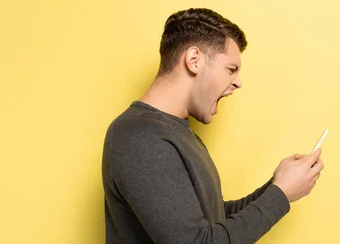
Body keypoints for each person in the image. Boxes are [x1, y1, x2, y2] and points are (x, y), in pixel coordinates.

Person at [101, 8, 325, 244]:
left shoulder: (177, 133)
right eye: (231, 69)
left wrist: (279, 186)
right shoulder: (140, 138)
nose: (238, 82)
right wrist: (280, 195)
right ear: (194, 60)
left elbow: (212, 222)